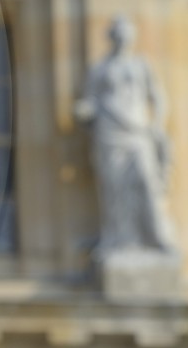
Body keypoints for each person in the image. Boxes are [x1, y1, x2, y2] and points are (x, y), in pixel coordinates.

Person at [76, 15, 179, 257]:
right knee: (114, 188)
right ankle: (119, 239)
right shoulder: (100, 68)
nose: (123, 39)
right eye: (119, 34)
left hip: (137, 131)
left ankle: (155, 236)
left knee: (147, 181)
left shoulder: (141, 65)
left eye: (127, 35)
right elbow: (90, 100)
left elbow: (158, 97)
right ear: (113, 38)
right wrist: (84, 110)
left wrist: (157, 125)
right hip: (109, 131)